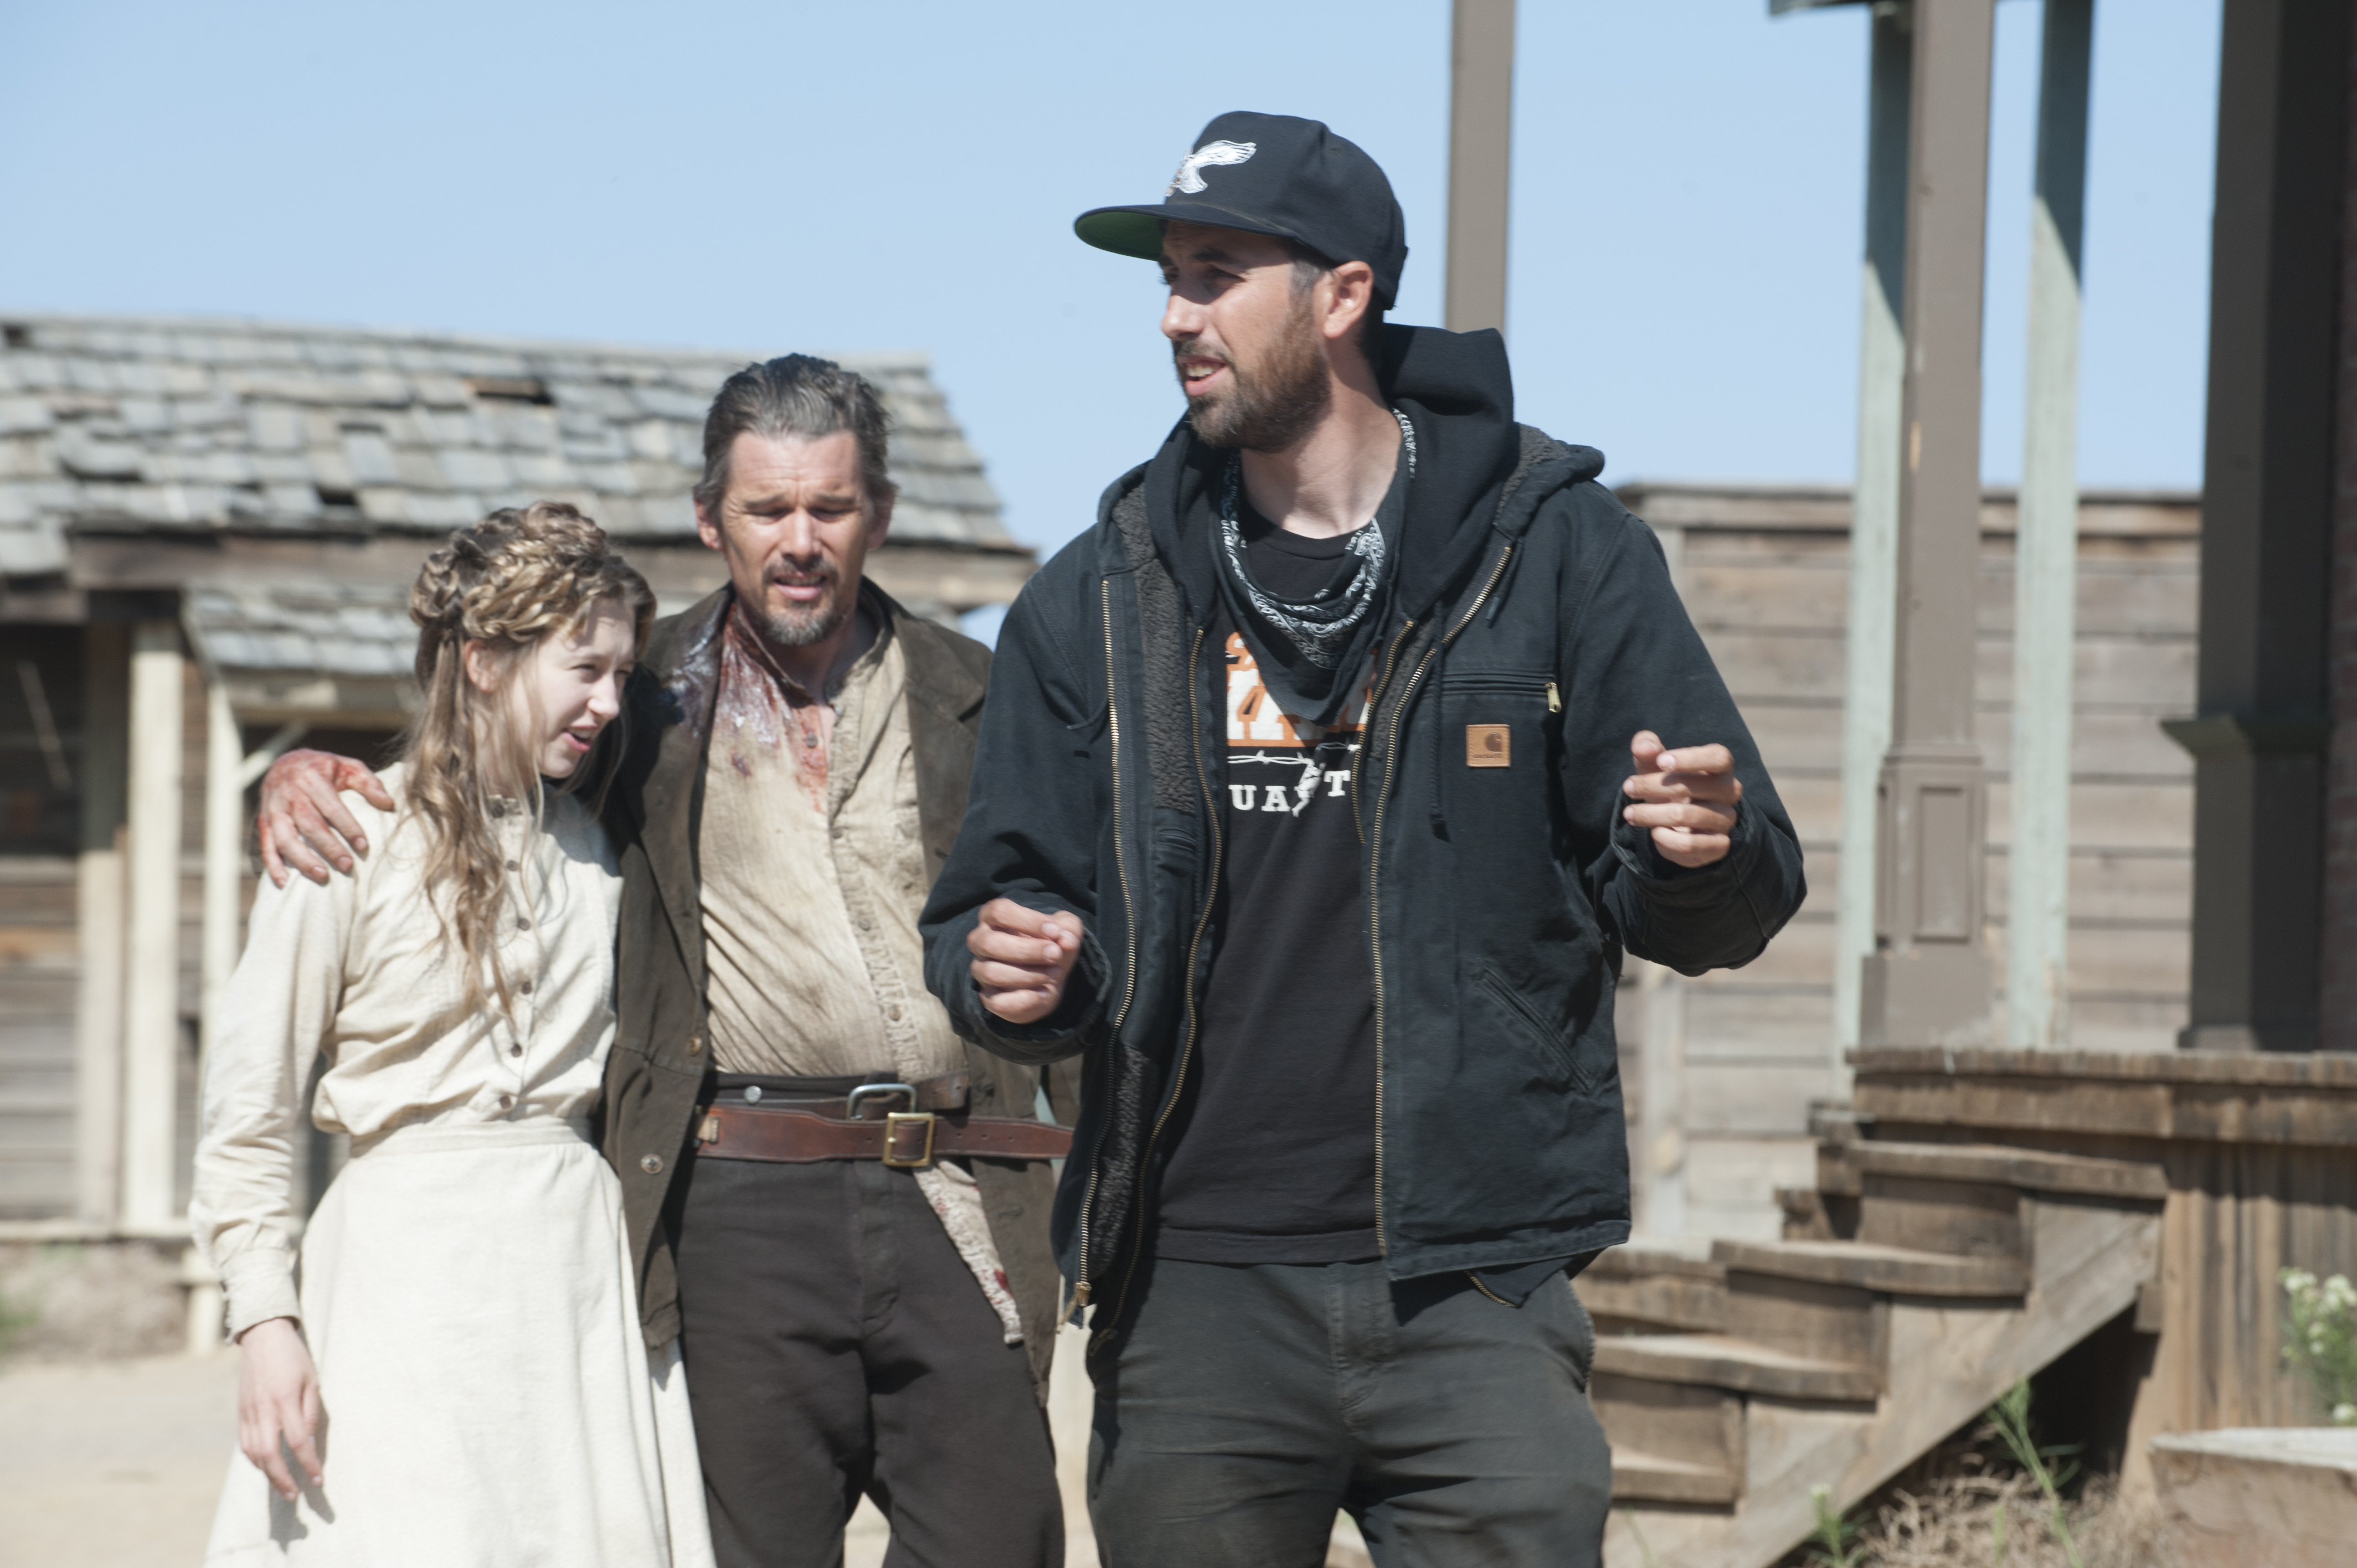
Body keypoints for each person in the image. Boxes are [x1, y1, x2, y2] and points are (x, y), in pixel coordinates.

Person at [919, 112, 1809, 1568]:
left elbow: (1721, 896)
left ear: (1343, 295)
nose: (1173, 315)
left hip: (1475, 1285)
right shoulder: (1095, 592)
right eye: (1167, 279)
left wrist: (1697, 854)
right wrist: (1012, 967)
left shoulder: (1562, 555)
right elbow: (991, 905)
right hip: (1192, 1287)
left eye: (1215, 275)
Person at [255, 357, 1069, 1568]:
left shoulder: (984, 695)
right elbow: (480, 755)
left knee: (1000, 1543)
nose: (800, 541)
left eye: (831, 509)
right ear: (711, 521)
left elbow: (1069, 906)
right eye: (766, 510)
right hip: (732, 1201)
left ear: (878, 517)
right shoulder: (639, 700)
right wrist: (305, 772)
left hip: (957, 1188)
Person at [192, 503, 713, 1565]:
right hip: (399, 1274)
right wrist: (265, 1323)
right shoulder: (348, 840)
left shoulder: (611, 851)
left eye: (622, 673)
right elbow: (247, 1109)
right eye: (584, 669)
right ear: (482, 660)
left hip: (572, 1271)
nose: (611, 703)